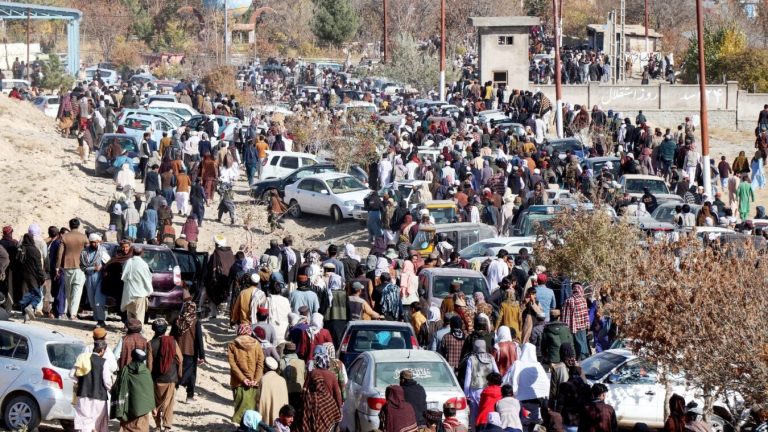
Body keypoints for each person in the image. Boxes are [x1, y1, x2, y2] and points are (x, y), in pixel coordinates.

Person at [147, 319, 182, 432]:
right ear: (165, 329)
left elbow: (149, 365)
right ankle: (167, 426)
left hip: (156, 379)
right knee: (169, 403)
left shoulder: (150, 344)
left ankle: (157, 426)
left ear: (154, 329)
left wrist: (148, 379)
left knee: (155, 402)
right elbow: (180, 359)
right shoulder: (172, 342)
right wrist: (179, 375)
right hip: (171, 378)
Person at [70, 340, 112, 432]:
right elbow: (107, 382)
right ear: (102, 350)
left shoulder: (82, 358)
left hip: (83, 396)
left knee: (84, 424)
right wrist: (112, 390)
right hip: (99, 398)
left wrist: (80, 382)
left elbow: (71, 375)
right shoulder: (103, 362)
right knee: (97, 424)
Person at [229, 324, 265, 424]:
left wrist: (243, 379)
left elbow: (233, 365)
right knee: (251, 412)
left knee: (239, 411)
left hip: (238, 383)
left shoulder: (232, 344)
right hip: (253, 384)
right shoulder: (257, 344)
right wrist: (256, 380)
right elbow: (260, 364)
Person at [173, 292, 205, 402]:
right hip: (191, 352)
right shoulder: (195, 321)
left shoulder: (177, 320)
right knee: (191, 374)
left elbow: (172, 336)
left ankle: (174, 391)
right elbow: (199, 339)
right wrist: (202, 355)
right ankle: (189, 396)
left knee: (176, 371)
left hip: (177, 350)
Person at [114, 349, 155, 432]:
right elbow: (150, 391)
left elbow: (119, 388)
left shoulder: (125, 370)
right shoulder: (146, 372)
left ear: (132, 357)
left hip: (128, 408)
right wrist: (153, 407)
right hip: (143, 409)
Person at [56, 218, 88, 320]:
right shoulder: (83, 237)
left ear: (70, 226)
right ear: (78, 226)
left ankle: (71, 311)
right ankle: (73, 313)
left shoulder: (64, 237)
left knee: (68, 291)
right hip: (80, 267)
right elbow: (87, 252)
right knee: (77, 290)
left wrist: (57, 267)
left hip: (67, 266)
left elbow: (60, 254)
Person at [462, 340, 499, 426]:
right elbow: (497, 372)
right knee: (486, 411)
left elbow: (468, 376)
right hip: (488, 389)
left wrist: (466, 394)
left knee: (474, 414)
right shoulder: (490, 357)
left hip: (475, 390)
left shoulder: (471, 358)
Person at [298, 363, 342, 432]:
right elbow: (337, 393)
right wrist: (340, 408)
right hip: (327, 407)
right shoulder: (330, 400)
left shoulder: (312, 373)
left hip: (311, 409)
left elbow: (304, 389)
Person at [81, 233, 108, 328]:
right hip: (89, 278)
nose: (94, 244)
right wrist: (93, 268)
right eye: (92, 242)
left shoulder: (102, 251)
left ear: (99, 242)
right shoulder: (84, 252)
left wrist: (102, 268)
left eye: (96, 242)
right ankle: (98, 319)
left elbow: (108, 263)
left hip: (100, 278)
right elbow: (82, 267)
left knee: (98, 300)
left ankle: (101, 320)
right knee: (92, 301)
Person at [120, 247, 154, 324]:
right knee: (139, 315)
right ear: (142, 253)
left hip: (129, 294)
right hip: (140, 294)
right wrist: (149, 291)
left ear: (132, 252)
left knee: (130, 314)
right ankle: (138, 329)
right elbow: (147, 279)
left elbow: (124, 277)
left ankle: (130, 329)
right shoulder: (144, 264)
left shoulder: (128, 262)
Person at [562, 283, 590, 360]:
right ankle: (585, 359)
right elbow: (586, 314)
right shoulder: (583, 300)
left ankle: (580, 359)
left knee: (576, 344)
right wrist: (587, 325)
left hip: (572, 327)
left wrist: (566, 327)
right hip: (582, 327)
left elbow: (565, 315)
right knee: (583, 343)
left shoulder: (568, 300)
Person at [259, 357, 289, 427]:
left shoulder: (264, 379)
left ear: (265, 368)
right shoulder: (282, 380)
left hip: (267, 415)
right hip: (280, 415)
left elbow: (258, 398)